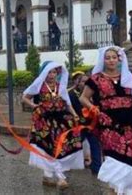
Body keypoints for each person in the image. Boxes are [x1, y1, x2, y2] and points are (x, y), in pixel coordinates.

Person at [80, 46, 132, 194]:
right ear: (103, 60)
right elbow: (83, 98)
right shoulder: (96, 79)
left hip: (130, 119)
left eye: (114, 57)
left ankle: (125, 189)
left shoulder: (126, 77)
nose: (111, 60)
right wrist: (94, 109)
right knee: (114, 155)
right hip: (108, 121)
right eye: (108, 58)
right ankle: (117, 188)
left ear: (119, 59)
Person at [22, 61, 83, 189]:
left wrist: (74, 114)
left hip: (60, 120)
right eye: (49, 72)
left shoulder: (60, 86)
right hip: (44, 121)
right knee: (48, 146)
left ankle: (48, 175)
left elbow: (67, 102)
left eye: (54, 72)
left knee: (60, 146)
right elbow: (25, 97)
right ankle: (61, 178)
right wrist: (33, 105)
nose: (52, 75)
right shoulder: (39, 85)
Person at [68, 71, 102, 175]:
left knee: (95, 145)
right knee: (73, 145)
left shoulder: (94, 93)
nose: (85, 84)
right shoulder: (71, 94)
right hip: (78, 125)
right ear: (78, 83)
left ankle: (96, 168)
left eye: (87, 82)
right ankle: (65, 164)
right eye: (83, 81)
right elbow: (68, 108)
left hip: (92, 124)